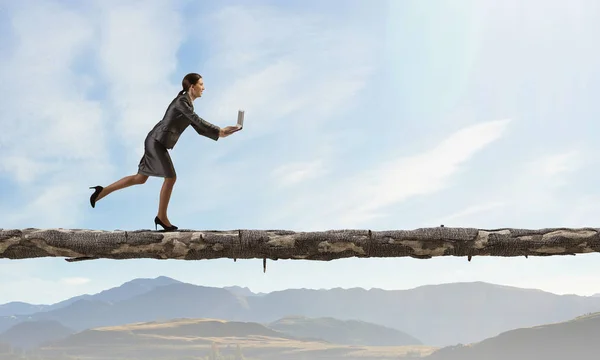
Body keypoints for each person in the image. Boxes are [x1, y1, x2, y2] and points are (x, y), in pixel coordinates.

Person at [88, 73, 241, 231]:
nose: (204, 88)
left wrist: (224, 132)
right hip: (156, 142)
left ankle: (102, 191)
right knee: (171, 177)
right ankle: (161, 217)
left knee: (140, 178)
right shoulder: (182, 102)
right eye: (201, 84)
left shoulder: (187, 104)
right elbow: (197, 120)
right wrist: (220, 131)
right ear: (192, 87)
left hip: (156, 141)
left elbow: (199, 128)